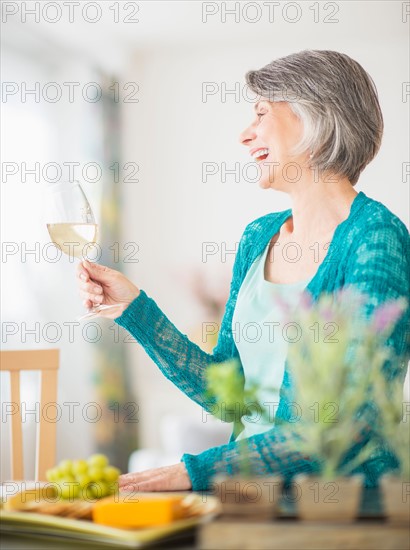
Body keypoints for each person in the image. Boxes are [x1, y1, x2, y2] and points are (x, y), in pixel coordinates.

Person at [77, 50, 410, 492]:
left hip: (336, 505)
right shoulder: (259, 237)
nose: (244, 134)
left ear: (315, 115)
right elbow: (226, 395)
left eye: (261, 113)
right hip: (248, 496)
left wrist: (191, 472)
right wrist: (134, 309)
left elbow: (347, 421)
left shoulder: (375, 238)